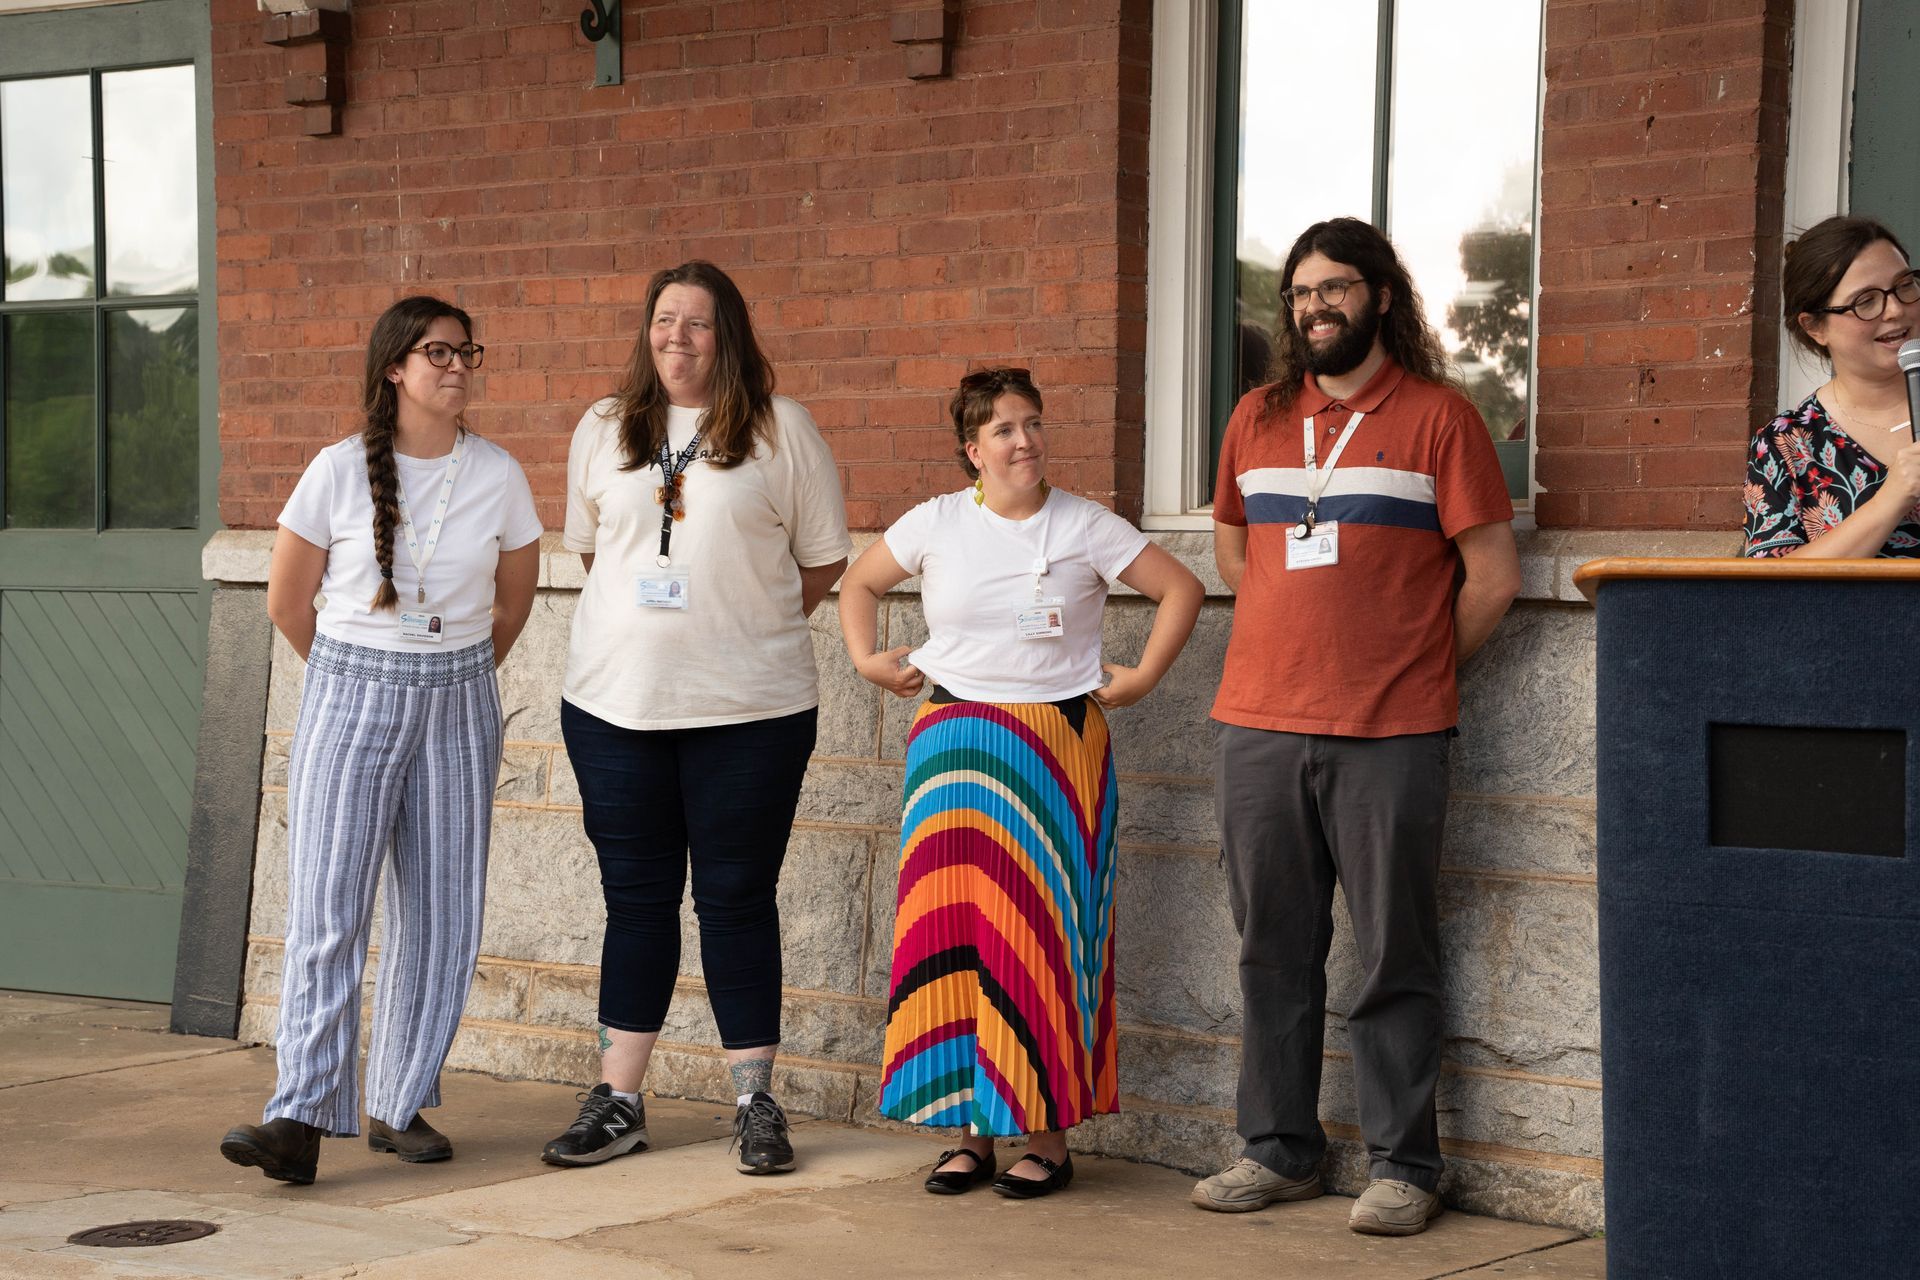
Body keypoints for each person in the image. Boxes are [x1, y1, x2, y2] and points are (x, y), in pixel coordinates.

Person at [1193, 218, 1520, 1234]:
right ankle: (1279, 1149)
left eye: (1334, 287)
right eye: (1298, 292)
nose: (1313, 306)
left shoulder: (1440, 418)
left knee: (1393, 953)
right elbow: (1235, 551)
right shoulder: (1255, 415)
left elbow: (1493, 578)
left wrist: (1405, 668)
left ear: (1381, 295)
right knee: (1272, 950)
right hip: (1258, 724)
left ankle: (1405, 1164)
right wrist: (1294, 648)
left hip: (1393, 735)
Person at [839, 367, 1203, 1199]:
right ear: (973, 450)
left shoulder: (1085, 524)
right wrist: (867, 660)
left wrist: (1143, 676)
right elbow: (859, 583)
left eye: (1032, 423)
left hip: (1054, 752)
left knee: (1043, 941)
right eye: (1003, 429)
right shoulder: (935, 522)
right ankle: (967, 1133)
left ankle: (1047, 1137)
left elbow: (1180, 587)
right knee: (956, 940)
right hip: (954, 746)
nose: (1023, 441)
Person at [220, 296, 542, 1184]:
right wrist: (361, 671)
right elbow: (291, 604)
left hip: (459, 696)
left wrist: (451, 672)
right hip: (349, 691)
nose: (456, 367)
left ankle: (399, 1101)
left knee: (441, 913)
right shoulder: (333, 470)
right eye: (436, 353)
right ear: (394, 367)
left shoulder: (499, 474)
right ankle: (297, 1113)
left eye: (466, 353)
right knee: (328, 906)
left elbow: (512, 603)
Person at [541, 261, 850, 1175]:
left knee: (735, 901)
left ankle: (755, 1102)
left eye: (699, 324)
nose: (679, 338)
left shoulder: (780, 430)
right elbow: (594, 547)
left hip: (751, 712)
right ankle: (620, 1100)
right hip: (614, 705)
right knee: (634, 903)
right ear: (647, 332)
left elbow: (824, 561)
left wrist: (743, 625)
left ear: (731, 336)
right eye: (665, 321)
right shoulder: (603, 428)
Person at [1744, 215, 1920, 558]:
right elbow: (1768, 592)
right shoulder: (1787, 444)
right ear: (1815, 328)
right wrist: (1892, 498)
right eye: (1866, 301)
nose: (1896, 310)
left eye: (1904, 286)